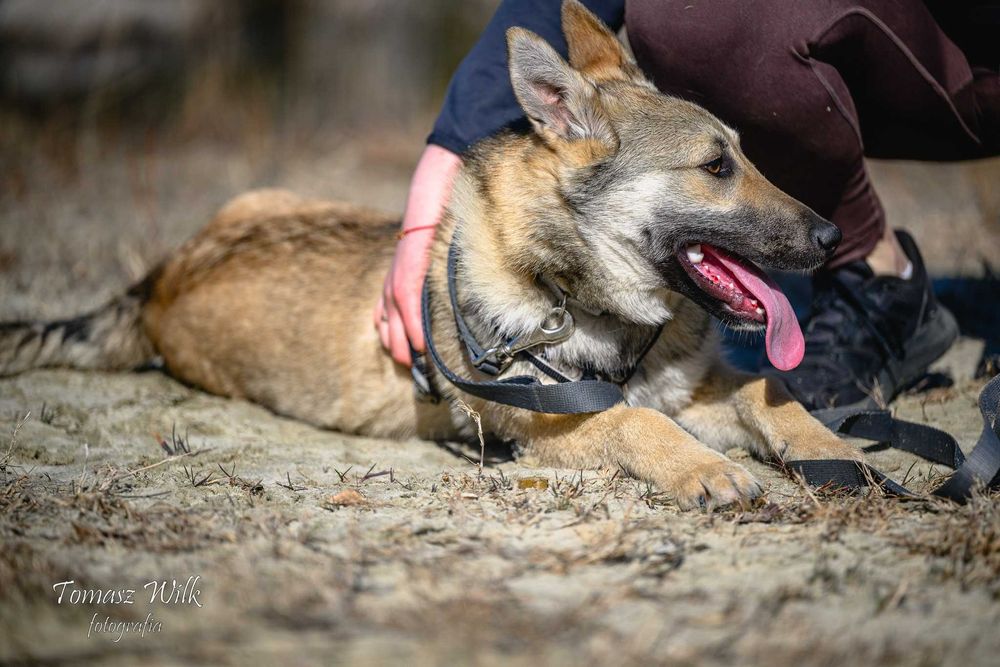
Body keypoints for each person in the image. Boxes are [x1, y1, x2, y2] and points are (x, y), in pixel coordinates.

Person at [374, 0, 999, 410]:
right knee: (680, 12)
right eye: (717, 168)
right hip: (896, 54)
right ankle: (880, 276)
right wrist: (452, 142)